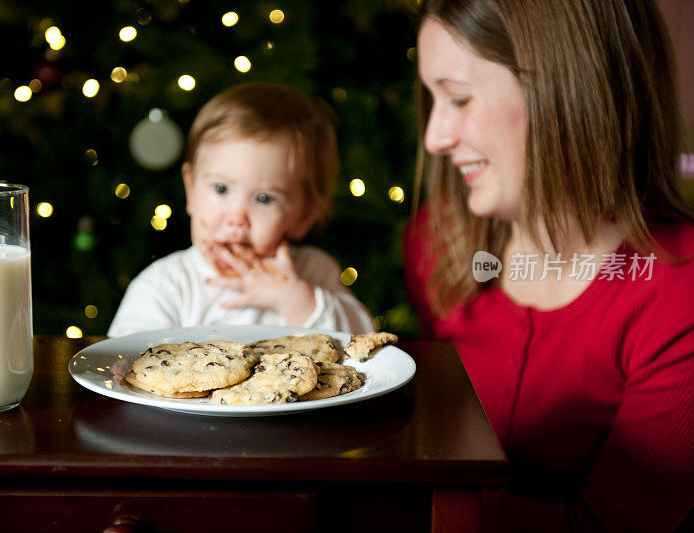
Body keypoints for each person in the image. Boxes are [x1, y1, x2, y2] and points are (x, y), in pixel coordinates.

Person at [403, 0, 694, 531]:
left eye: (460, 98)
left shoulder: (678, 291)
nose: (435, 138)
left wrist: (382, 502)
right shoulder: (436, 243)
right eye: (432, 99)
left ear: (570, 89)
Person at [109, 82, 375, 337]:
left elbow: (365, 345)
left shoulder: (312, 273)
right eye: (221, 189)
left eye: (263, 198)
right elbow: (123, 360)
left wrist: (296, 301)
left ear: (304, 216)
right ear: (190, 191)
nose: (236, 219)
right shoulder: (167, 285)